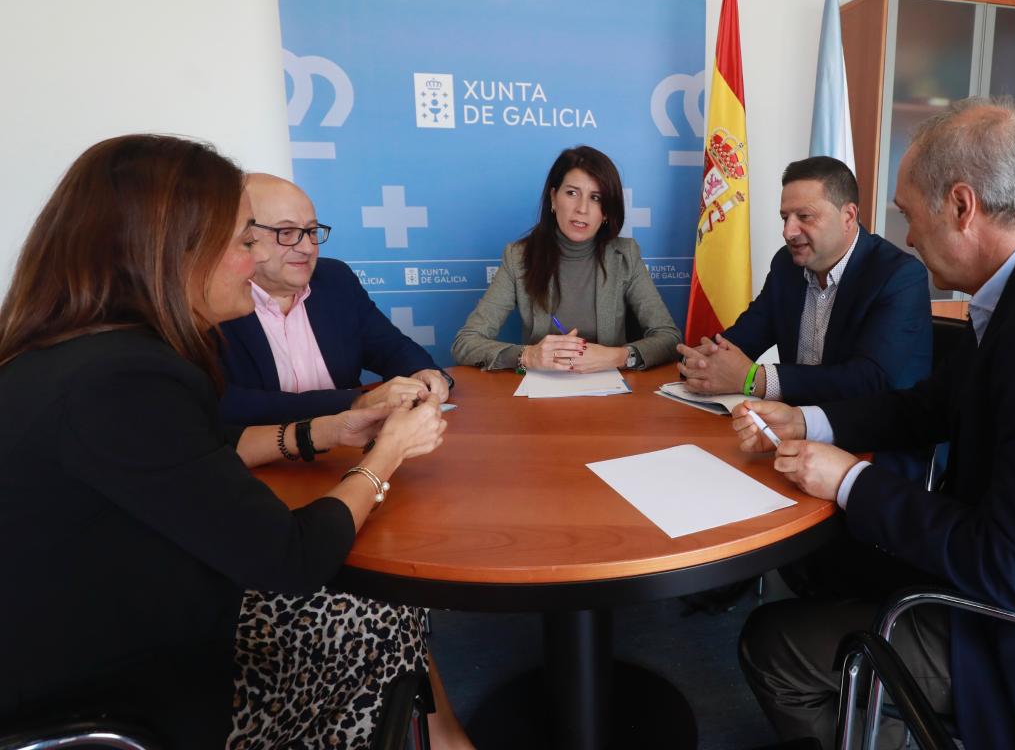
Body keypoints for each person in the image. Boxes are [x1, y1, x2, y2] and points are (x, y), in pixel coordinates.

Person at [734, 98, 1015, 750]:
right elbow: (929, 406)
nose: (906, 237)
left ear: (961, 205)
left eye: (908, 214)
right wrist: (807, 421)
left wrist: (849, 483)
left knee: (773, 646)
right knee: (829, 565)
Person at [0, 135, 473, 750]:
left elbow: (201, 446)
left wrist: (328, 431)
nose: (255, 263)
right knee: (376, 608)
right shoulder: (126, 379)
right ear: (171, 253)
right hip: (121, 697)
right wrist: (387, 455)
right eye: (245, 242)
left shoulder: (68, 355)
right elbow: (293, 559)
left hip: (94, 637)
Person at [676, 157, 930, 479]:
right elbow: (742, 339)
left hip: (871, 452)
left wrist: (755, 379)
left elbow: (870, 381)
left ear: (848, 216)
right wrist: (702, 361)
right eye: (785, 217)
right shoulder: (787, 266)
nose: (788, 231)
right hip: (790, 438)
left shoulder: (898, 275)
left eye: (804, 217)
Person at [218, 173, 452, 425]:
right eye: (286, 233)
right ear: (243, 236)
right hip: (262, 448)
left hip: (354, 443)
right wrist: (353, 403)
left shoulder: (334, 279)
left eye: (311, 231)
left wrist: (421, 373)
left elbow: (392, 348)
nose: (308, 248)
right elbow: (224, 405)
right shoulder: (213, 300)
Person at [451, 145, 681, 372]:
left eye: (596, 198)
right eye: (572, 193)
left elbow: (669, 337)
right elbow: (466, 342)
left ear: (606, 212)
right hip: (542, 389)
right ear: (553, 198)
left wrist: (618, 356)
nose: (582, 209)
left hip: (611, 388)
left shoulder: (625, 255)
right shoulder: (518, 257)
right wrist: (528, 356)